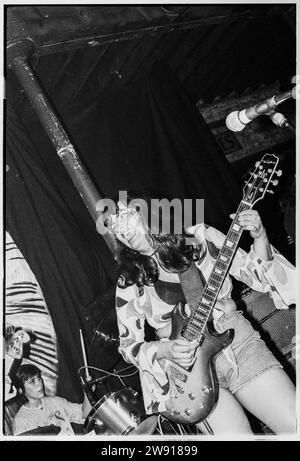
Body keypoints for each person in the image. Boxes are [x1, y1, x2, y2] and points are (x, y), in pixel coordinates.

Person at [99, 192, 296, 435]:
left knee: (294, 426)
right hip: (187, 374)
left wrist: (260, 235)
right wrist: (165, 350)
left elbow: (258, 278)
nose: (123, 229)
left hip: (237, 343)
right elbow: (128, 347)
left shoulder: (199, 238)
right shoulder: (130, 280)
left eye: (127, 216)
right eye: (116, 226)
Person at [12, 364, 92, 435]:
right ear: (20, 390)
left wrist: (87, 390)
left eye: (39, 378)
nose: (39, 383)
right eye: (32, 381)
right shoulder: (21, 421)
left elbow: (84, 414)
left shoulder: (55, 402)